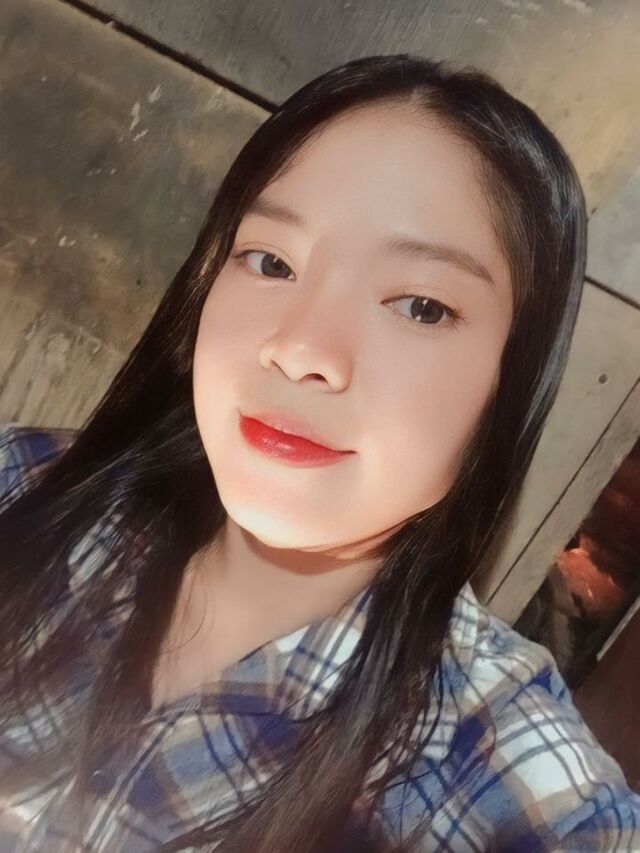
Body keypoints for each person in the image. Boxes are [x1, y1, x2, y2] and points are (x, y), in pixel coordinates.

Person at [0, 53, 638, 853]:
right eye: (271, 261)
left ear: (511, 382)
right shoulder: (23, 486)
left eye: (420, 305)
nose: (301, 350)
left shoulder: (492, 769)